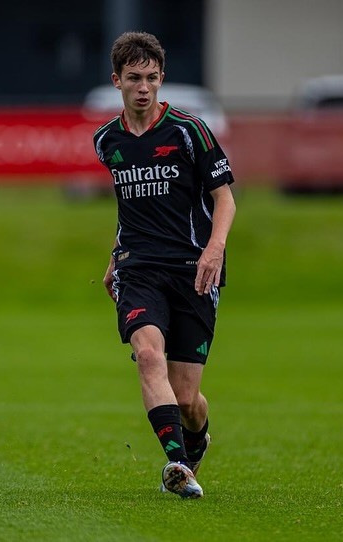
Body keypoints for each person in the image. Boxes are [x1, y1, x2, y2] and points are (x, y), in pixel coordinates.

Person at [92, 31, 236, 499]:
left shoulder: (189, 131)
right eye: (133, 78)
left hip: (194, 270)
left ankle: (193, 443)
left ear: (161, 79)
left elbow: (225, 199)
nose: (143, 87)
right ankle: (176, 462)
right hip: (139, 270)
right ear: (116, 80)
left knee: (188, 399)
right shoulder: (106, 141)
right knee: (148, 354)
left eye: (151, 78)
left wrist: (214, 250)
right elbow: (129, 208)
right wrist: (117, 253)